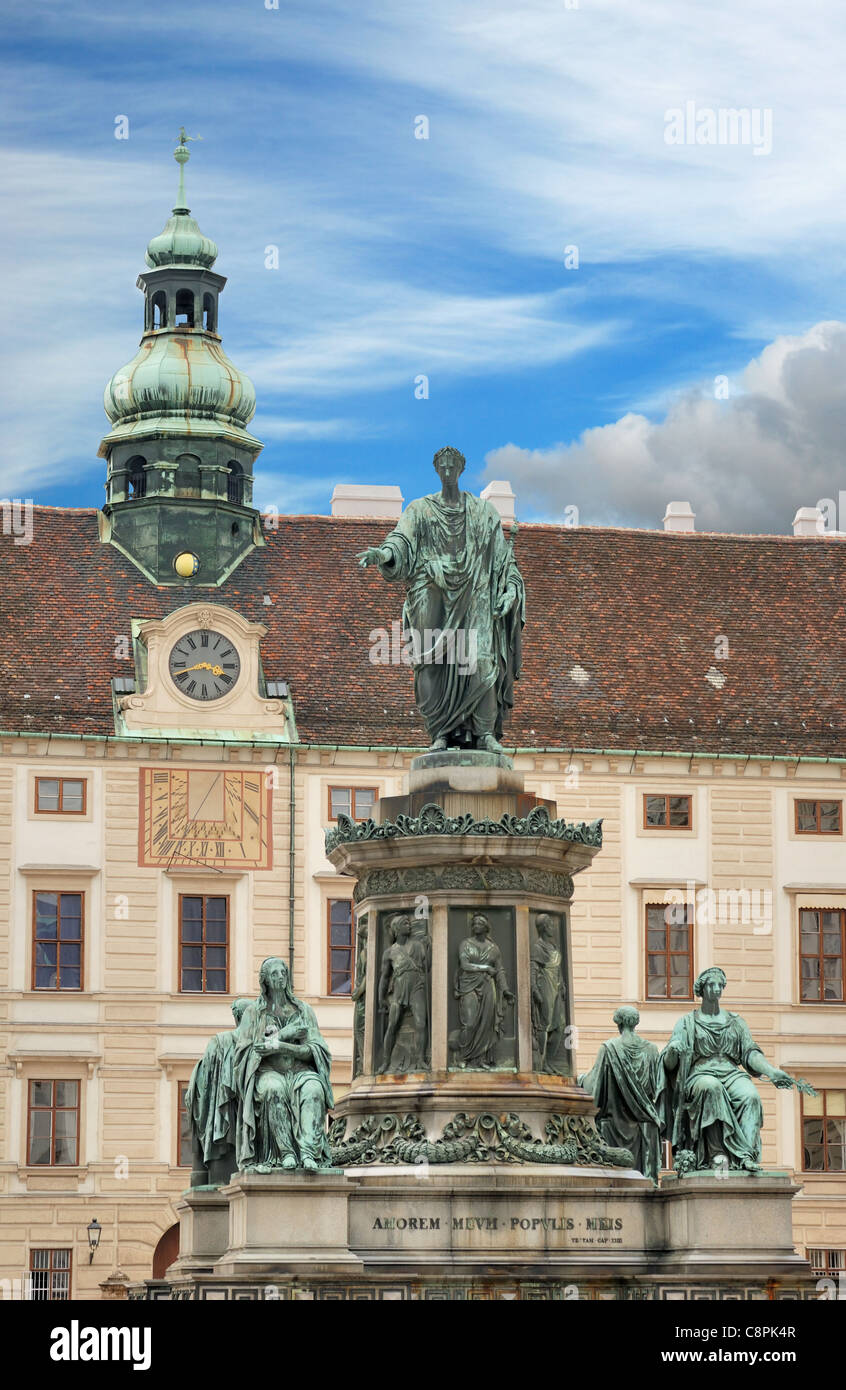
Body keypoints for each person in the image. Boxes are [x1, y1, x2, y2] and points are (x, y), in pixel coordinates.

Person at [357, 446, 525, 753]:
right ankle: (441, 733)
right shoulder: (420, 510)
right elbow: (401, 540)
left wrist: (511, 590)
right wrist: (384, 554)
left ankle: (485, 733)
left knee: (482, 660)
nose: (448, 472)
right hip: (431, 594)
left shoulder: (483, 513)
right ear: (437, 470)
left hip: (475, 596)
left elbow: (504, 562)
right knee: (430, 663)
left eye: (452, 467)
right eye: (442, 468)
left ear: (461, 469)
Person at [658, 966, 807, 1173]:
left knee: (750, 1096)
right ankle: (716, 1153)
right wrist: (673, 1050)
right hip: (701, 1073)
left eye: (720, 985)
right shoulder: (687, 1022)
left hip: (731, 1073)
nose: (717, 989)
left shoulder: (736, 1022)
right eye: (711, 985)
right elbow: (670, 1064)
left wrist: (771, 1071)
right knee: (711, 1088)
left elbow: (750, 1053)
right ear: (702, 989)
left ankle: (745, 1156)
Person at [233, 957, 334, 1172]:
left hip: (300, 1070)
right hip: (268, 1071)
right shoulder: (254, 1013)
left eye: (283, 973)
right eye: (274, 974)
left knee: (314, 1089)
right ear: (265, 981)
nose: (280, 977)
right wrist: (285, 1035)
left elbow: (315, 1050)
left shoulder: (303, 1010)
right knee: (273, 1090)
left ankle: (308, 1153)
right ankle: (286, 1152)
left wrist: (280, 1046)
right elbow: (248, 1051)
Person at [579, 1007, 662, 1185]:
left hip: (614, 1124)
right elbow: (656, 1089)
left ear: (619, 1023)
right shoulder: (652, 1050)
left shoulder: (609, 1048)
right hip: (644, 1125)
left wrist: (579, 1080)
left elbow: (595, 1086)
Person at [185, 996, 255, 1187]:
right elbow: (208, 1078)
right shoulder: (225, 1041)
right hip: (237, 1106)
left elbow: (206, 1080)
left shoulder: (221, 1041)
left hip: (230, 1108)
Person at [450, 913, 515, 1069]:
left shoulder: (493, 949)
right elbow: (465, 965)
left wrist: (505, 990)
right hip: (468, 986)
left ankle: (480, 1059)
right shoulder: (465, 944)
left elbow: (499, 971)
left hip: (487, 987)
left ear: (486, 927)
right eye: (474, 923)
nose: (476, 925)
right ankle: (463, 1055)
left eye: (480, 923)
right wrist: (486, 968)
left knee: (486, 1024)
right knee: (470, 1023)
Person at [377, 913, 431, 1073]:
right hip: (399, 990)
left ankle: (420, 1059)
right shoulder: (390, 952)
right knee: (392, 1025)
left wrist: (428, 949)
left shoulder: (418, 946)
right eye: (405, 923)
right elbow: (384, 978)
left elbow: (426, 967)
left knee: (421, 1023)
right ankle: (386, 1062)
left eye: (409, 922)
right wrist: (381, 998)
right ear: (396, 929)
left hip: (417, 987)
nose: (409, 925)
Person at [530, 914, 568, 1074]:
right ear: (544, 927)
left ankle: (548, 1060)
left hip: (557, 989)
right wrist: (535, 989)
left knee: (559, 1026)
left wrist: (563, 984)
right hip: (545, 986)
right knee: (544, 1026)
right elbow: (532, 969)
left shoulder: (553, 947)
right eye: (550, 925)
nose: (553, 927)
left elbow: (558, 969)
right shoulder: (538, 947)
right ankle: (541, 1062)